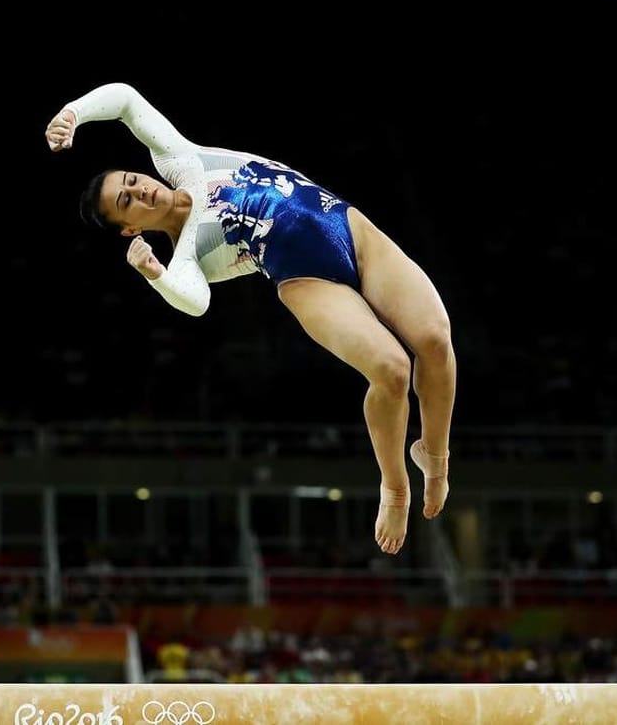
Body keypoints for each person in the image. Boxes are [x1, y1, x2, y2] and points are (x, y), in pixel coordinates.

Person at [45, 83, 456, 555]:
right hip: (306, 279)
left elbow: (125, 100)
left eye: (133, 181)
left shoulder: (183, 161)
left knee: (435, 341)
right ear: (131, 228)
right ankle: (396, 488)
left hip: (350, 228)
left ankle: (435, 460)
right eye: (127, 201)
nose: (141, 190)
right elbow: (194, 301)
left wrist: (72, 114)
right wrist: (155, 274)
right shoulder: (186, 254)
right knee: (391, 369)